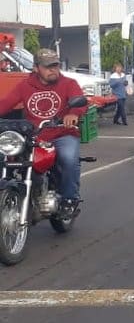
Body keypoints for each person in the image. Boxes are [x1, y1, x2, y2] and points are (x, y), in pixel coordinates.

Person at [0, 48, 87, 214]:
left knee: (68, 159)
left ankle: (69, 199)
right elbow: (6, 103)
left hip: (62, 134)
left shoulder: (69, 84)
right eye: (48, 67)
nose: (53, 70)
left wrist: (73, 114)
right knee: (4, 155)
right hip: (33, 136)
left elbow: (80, 102)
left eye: (55, 65)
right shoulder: (25, 85)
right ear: (36, 68)